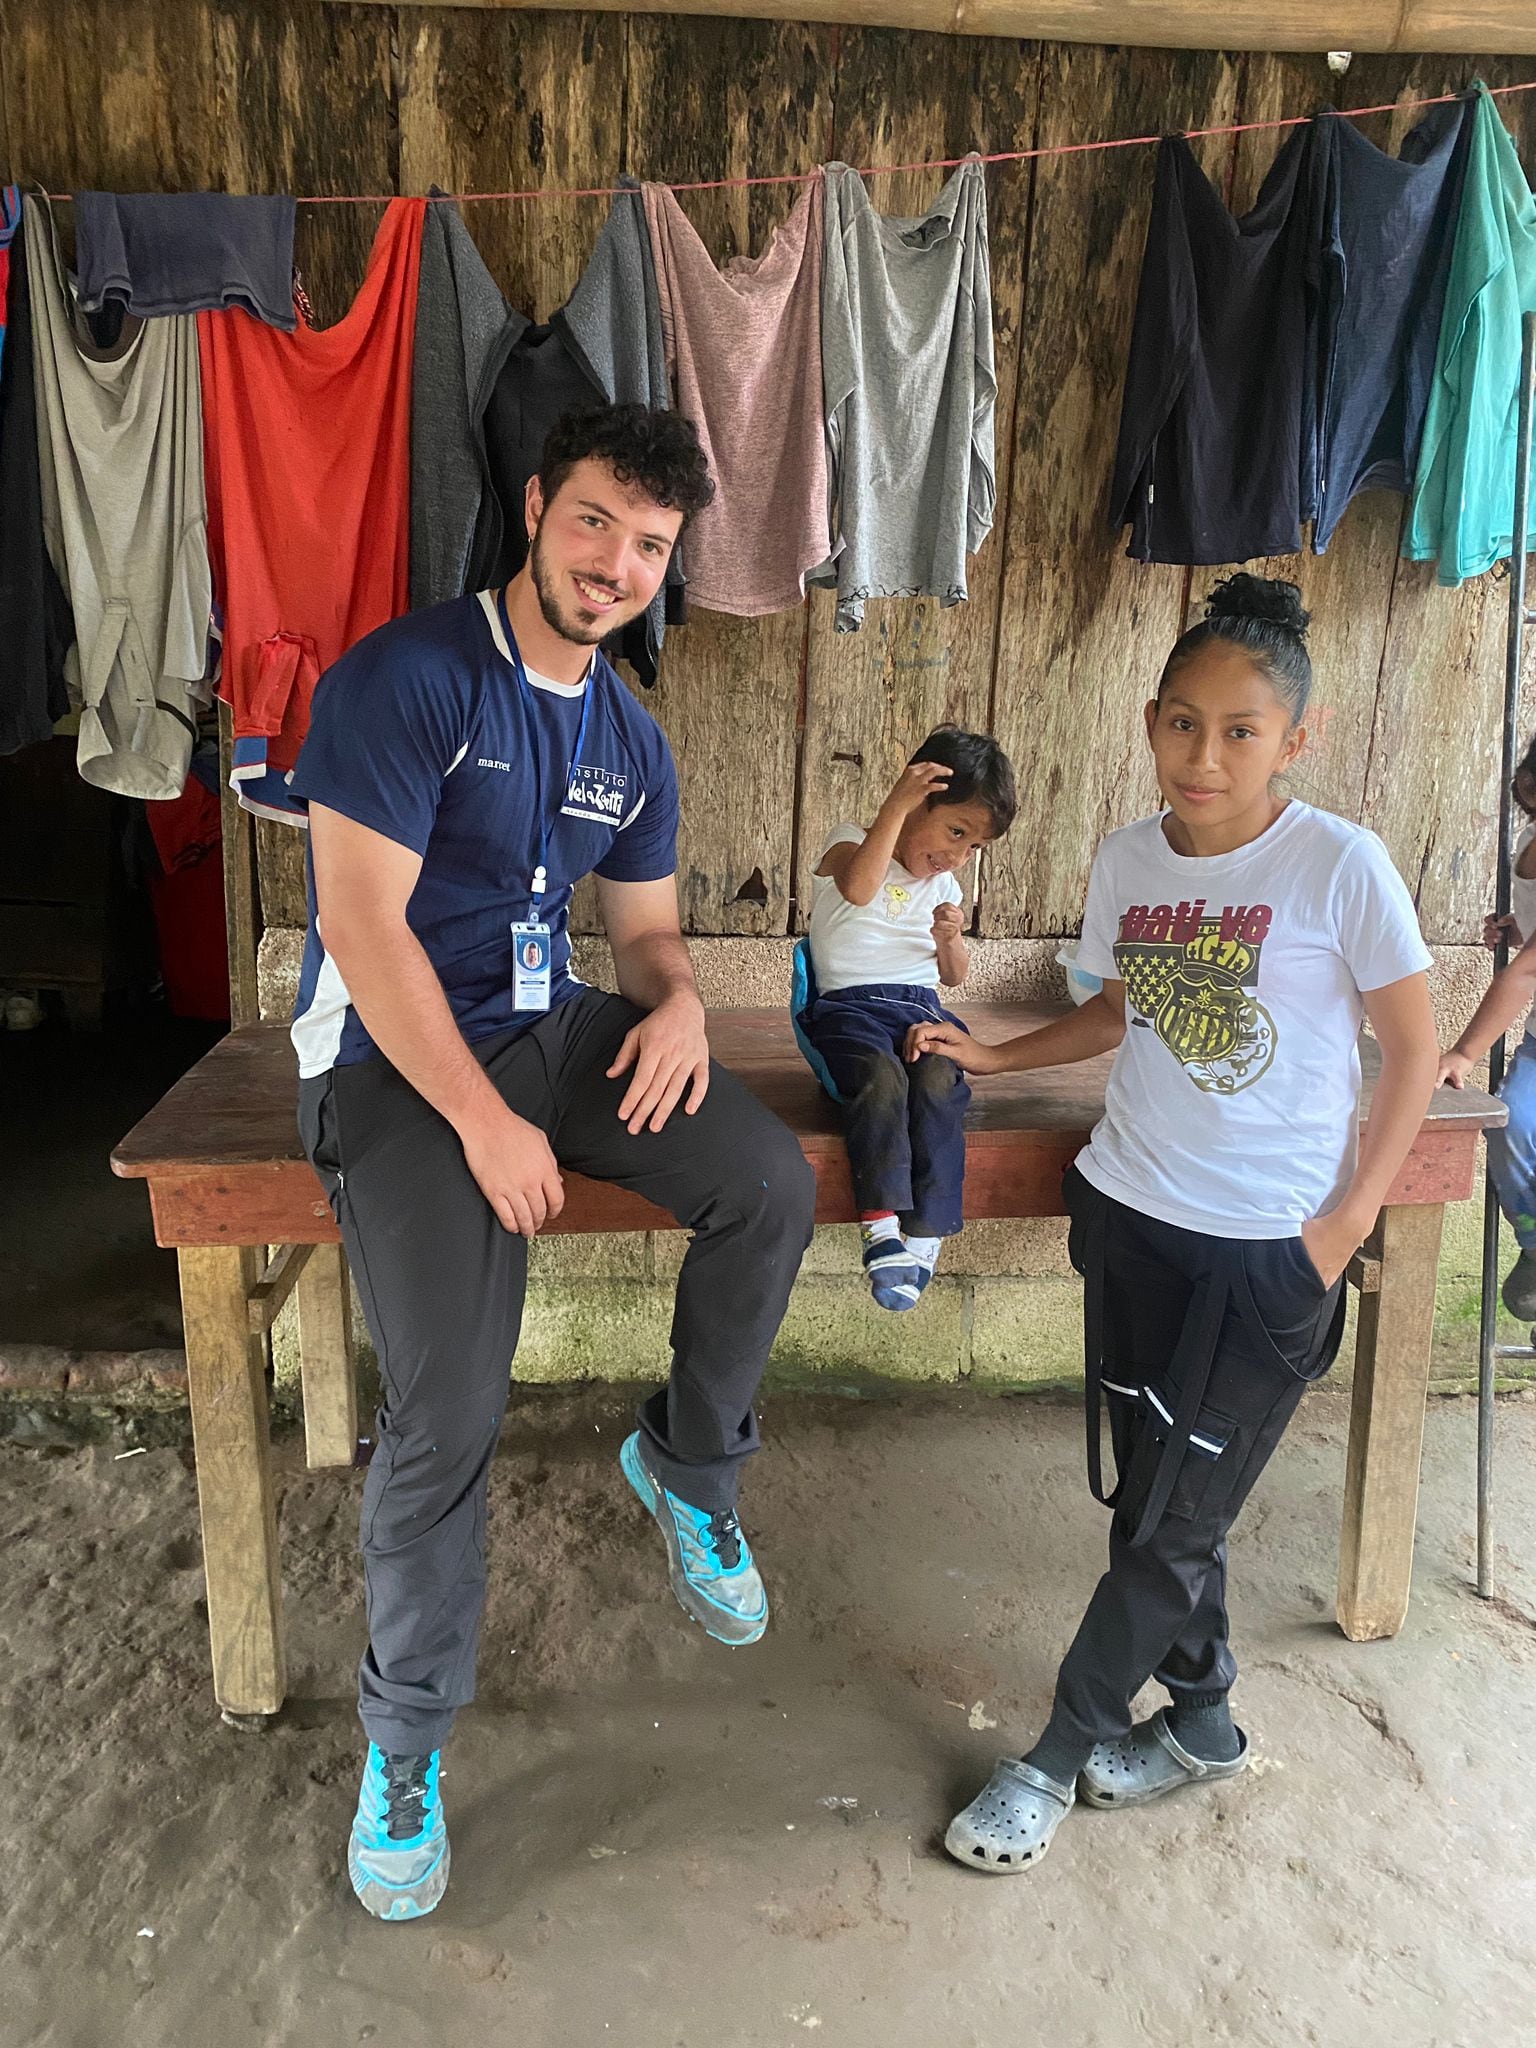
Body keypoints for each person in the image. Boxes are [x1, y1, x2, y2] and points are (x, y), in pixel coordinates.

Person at [287, 402, 817, 1921]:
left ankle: (688, 1464)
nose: (618, 565)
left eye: (651, 545)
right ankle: (405, 1745)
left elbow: (646, 934)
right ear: (535, 507)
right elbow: (362, 935)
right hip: (394, 1063)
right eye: (595, 524)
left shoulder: (626, 735)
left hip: (544, 1027)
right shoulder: (411, 680)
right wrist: (485, 1121)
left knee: (766, 1182)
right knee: (452, 1400)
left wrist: (675, 1012)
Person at [908, 575, 1439, 1874]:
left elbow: (1415, 1050)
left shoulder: (1338, 867)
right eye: (1184, 725)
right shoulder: (1132, 858)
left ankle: (1053, 1753)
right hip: (1134, 1212)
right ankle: (1201, 1721)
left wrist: (1343, 1226)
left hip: (1269, 1251)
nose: (1207, 755)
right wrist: (995, 1058)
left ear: (1293, 740)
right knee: (1153, 1498)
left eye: (1241, 730)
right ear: (1151, 725)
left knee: (1172, 1522)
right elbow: (1124, 1008)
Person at [800, 729, 1016, 1308]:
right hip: (850, 1008)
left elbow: (952, 977)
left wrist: (952, 940)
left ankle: (926, 1229)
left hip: (920, 1008)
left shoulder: (944, 884)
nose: (957, 855)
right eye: (954, 831)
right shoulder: (849, 843)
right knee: (881, 1078)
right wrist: (893, 807)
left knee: (942, 1078)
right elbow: (861, 888)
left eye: (973, 846)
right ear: (916, 800)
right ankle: (879, 1222)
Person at [1437, 735, 1536, 1320]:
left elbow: (1525, 976)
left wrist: (1466, 1051)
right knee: (1512, 1122)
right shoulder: (1528, 842)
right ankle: (1534, 1241)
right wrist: (1516, 926)